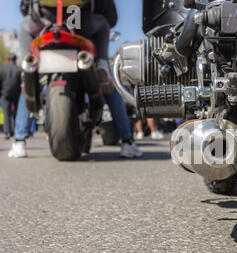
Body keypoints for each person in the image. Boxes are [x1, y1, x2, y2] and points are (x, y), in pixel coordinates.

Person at [9, 0, 142, 158]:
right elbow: (111, 18)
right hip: (82, 27)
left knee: (30, 81)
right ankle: (127, 142)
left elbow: (25, 8)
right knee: (110, 85)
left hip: (44, 26)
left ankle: (19, 141)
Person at [0, 53, 22, 140]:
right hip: (16, 94)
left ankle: (7, 132)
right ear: (15, 60)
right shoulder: (19, 69)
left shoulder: (2, 69)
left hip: (5, 93)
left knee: (6, 113)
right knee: (16, 113)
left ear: (8, 60)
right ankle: (15, 130)